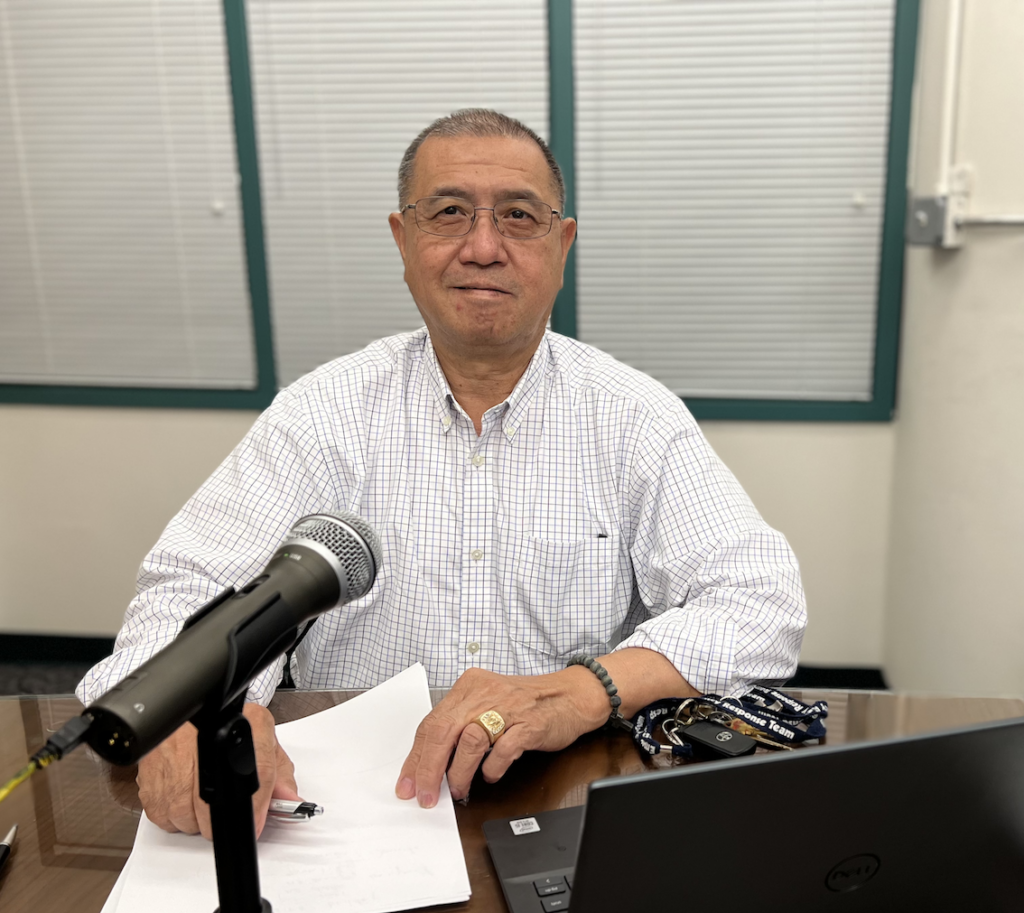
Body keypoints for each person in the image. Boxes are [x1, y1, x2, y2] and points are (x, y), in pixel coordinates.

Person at [77, 109, 806, 839]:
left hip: (565, 795)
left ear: (562, 244)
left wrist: (588, 690)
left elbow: (760, 605)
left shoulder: (634, 417)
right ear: (403, 239)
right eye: (449, 213)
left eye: (519, 217)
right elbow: (190, 590)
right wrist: (191, 713)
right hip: (348, 805)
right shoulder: (323, 412)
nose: (483, 247)